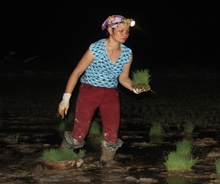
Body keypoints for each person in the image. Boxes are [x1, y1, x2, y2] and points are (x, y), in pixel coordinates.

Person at [57, 15, 150, 166]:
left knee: (112, 131)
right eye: (120, 30)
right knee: (80, 131)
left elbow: (123, 78)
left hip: (111, 93)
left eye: (127, 31)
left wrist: (135, 88)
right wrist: (66, 98)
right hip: (89, 90)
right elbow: (77, 72)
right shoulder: (96, 48)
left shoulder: (127, 53)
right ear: (110, 30)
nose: (125, 34)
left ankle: (107, 163)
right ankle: (60, 156)